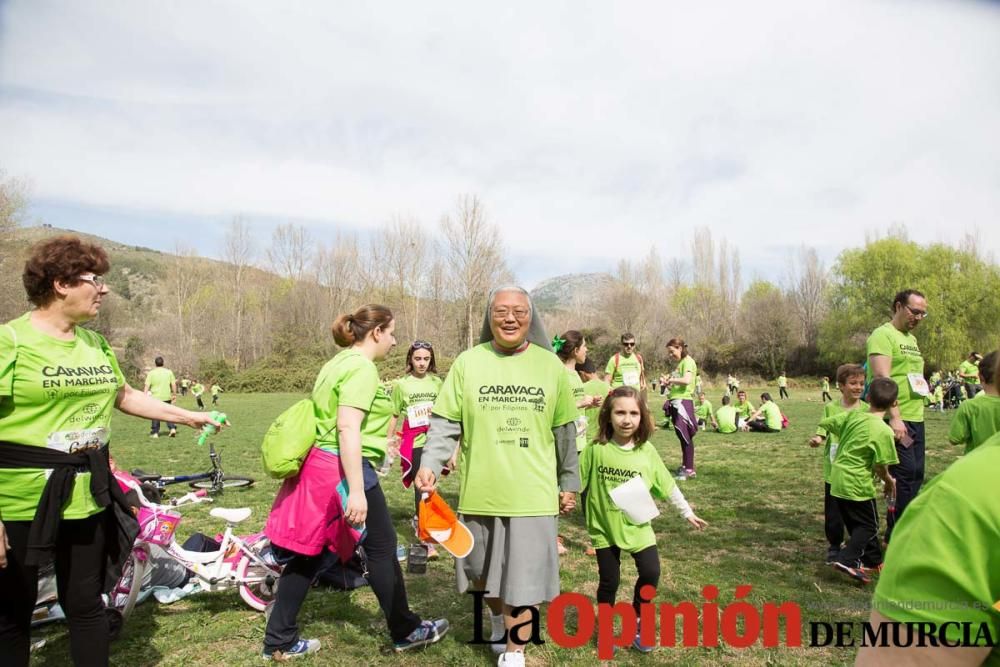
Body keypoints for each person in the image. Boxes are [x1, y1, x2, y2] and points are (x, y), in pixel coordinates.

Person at [0, 235, 221, 667]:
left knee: (87, 605)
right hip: (20, 503)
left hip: (87, 498)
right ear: (61, 283)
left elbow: (125, 395)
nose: (103, 289)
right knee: (12, 615)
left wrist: (189, 417)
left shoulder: (95, 345)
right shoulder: (11, 342)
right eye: (93, 280)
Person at [262, 304, 448, 660]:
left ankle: (278, 639)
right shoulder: (361, 368)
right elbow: (347, 427)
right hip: (342, 467)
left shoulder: (338, 362)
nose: (394, 342)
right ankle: (406, 629)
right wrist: (357, 491)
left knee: (310, 552)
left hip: (320, 465)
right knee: (381, 546)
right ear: (376, 332)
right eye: (392, 333)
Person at [416, 286, 578, 667]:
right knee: (481, 572)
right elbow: (444, 424)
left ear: (531, 317)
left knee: (524, 580)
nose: (510, 318)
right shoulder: (468, 363)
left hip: (533, 493)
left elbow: (565, 431)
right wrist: (430, 462)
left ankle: (514, 653)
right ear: (489, 317)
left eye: (519, 311)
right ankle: (494, 620)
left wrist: (569, 481)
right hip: (481, 491)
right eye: (501, 311)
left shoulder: (549, 366)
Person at [856, 359, 1000, 667]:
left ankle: (856, 555)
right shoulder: (965, 504)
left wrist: (888, 477)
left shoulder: (960, 502)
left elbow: (955, 438)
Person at [579, 386, 707, 653]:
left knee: (651, 573)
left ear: (642, 417)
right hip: (605, 528)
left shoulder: (646, 451)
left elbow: (667, 484)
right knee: (609, 582)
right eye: (620, 412)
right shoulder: (596, 449)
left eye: (634, 413)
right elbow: (575, 481)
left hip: (638, 527)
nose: (627, 419)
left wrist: (687, 512)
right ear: (608, 415)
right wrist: (563, 497)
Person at [815, 377, 898, 584]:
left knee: (855, 524)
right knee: (869, 526)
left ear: (867, 397)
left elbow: (827, 423)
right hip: (858, 483)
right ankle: (847, 560)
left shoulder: (852, 417)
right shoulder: (884, 431)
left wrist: (843, 429)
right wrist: (889, 481)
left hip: (837, 479)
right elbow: (880, 465)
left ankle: (872, 561)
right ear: (894, 403)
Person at [866, 289, 927, 542]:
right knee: (904, 474)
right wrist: (895, 416)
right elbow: (882, 379)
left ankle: (905, 527)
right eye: (915, 311)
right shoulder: (883, 335)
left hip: (916, 416)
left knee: (916, 474)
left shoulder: (911, 340)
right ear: (899, 306)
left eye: (924, 313)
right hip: (897, 418)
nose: (919, 317)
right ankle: (895, 534)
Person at [387, 340, 445, 558]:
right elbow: (394, 415)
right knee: (422, 487)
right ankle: (426, 538)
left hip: (434, 442)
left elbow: (445, 414)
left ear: (431, 360)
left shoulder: (437, 383)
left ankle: (423, 523)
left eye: (426, 359)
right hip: (414, 444)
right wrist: (390, 441)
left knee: (430, 487)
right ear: (410, 359)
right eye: (418, 358)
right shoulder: (401, 385)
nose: (422, 363)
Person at [808, 364, 867, 565]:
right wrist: (818, 439)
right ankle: (834, 545)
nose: (858, 387)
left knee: (856, 510)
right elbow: (822, 430)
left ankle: (855, 546)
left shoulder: (867, 409)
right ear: (841, 386)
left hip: (857, 471)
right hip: (834, 469)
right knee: (834, 511)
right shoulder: (830, 408)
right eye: (853, 383)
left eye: (861, 383)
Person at [553, 330, 601, 556]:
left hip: (581, 441)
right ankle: (553, 537)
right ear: (575, 350)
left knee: (588, 491)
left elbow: (574, 405)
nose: (587, 350)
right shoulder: (558, 374)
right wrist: (582, 401)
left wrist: (587, 404)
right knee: (557, 490)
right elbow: (557, 408)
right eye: (584, 346)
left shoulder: (576, 375)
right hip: (565, 442)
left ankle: (596, 539)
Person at [947, 350, 1000, 455]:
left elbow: (954, 439)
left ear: (980, 377)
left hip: (977, 464)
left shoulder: (969, 406)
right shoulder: (965, 364)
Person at [660, 338, 698, 480]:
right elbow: (678, 386)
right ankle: (685, 465)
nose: (670, 355)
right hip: (676, 401)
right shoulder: (680, 364)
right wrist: (667, 383)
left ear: (680, 348)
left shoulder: (688, 361)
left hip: (683, 402)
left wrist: (670, 380)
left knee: (685, 436)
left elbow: (687, 380)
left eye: (672, 351)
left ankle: (689, 469)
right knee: (681, 437)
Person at [576, 359, 610, 447]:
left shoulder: (580, 389)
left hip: (586, 440)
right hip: (606, 438)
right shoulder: (610, 389)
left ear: (582, 373)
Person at [144, 356, 177, 438]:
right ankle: (172, 428)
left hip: (155, 397)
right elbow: (173, 384)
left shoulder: (151, 373)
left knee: (155, 415)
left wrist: (144, 396)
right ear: (163, 363)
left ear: (155, 364)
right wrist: (174, 394)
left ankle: (155, 432)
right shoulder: (169, 372)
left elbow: (147, 385)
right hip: (166, 396)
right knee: (168, 413)